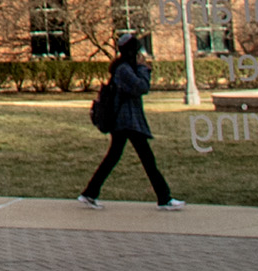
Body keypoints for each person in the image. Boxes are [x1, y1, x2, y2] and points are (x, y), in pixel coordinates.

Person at [79, 33, 188, 210]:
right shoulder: (124, 69)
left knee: (115, 158)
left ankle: (90, 192)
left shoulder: (124, 67)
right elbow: (141, 87)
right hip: (126, 122)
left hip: (125, 122)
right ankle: (164, 198)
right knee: (147, 160)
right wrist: (144, 68)